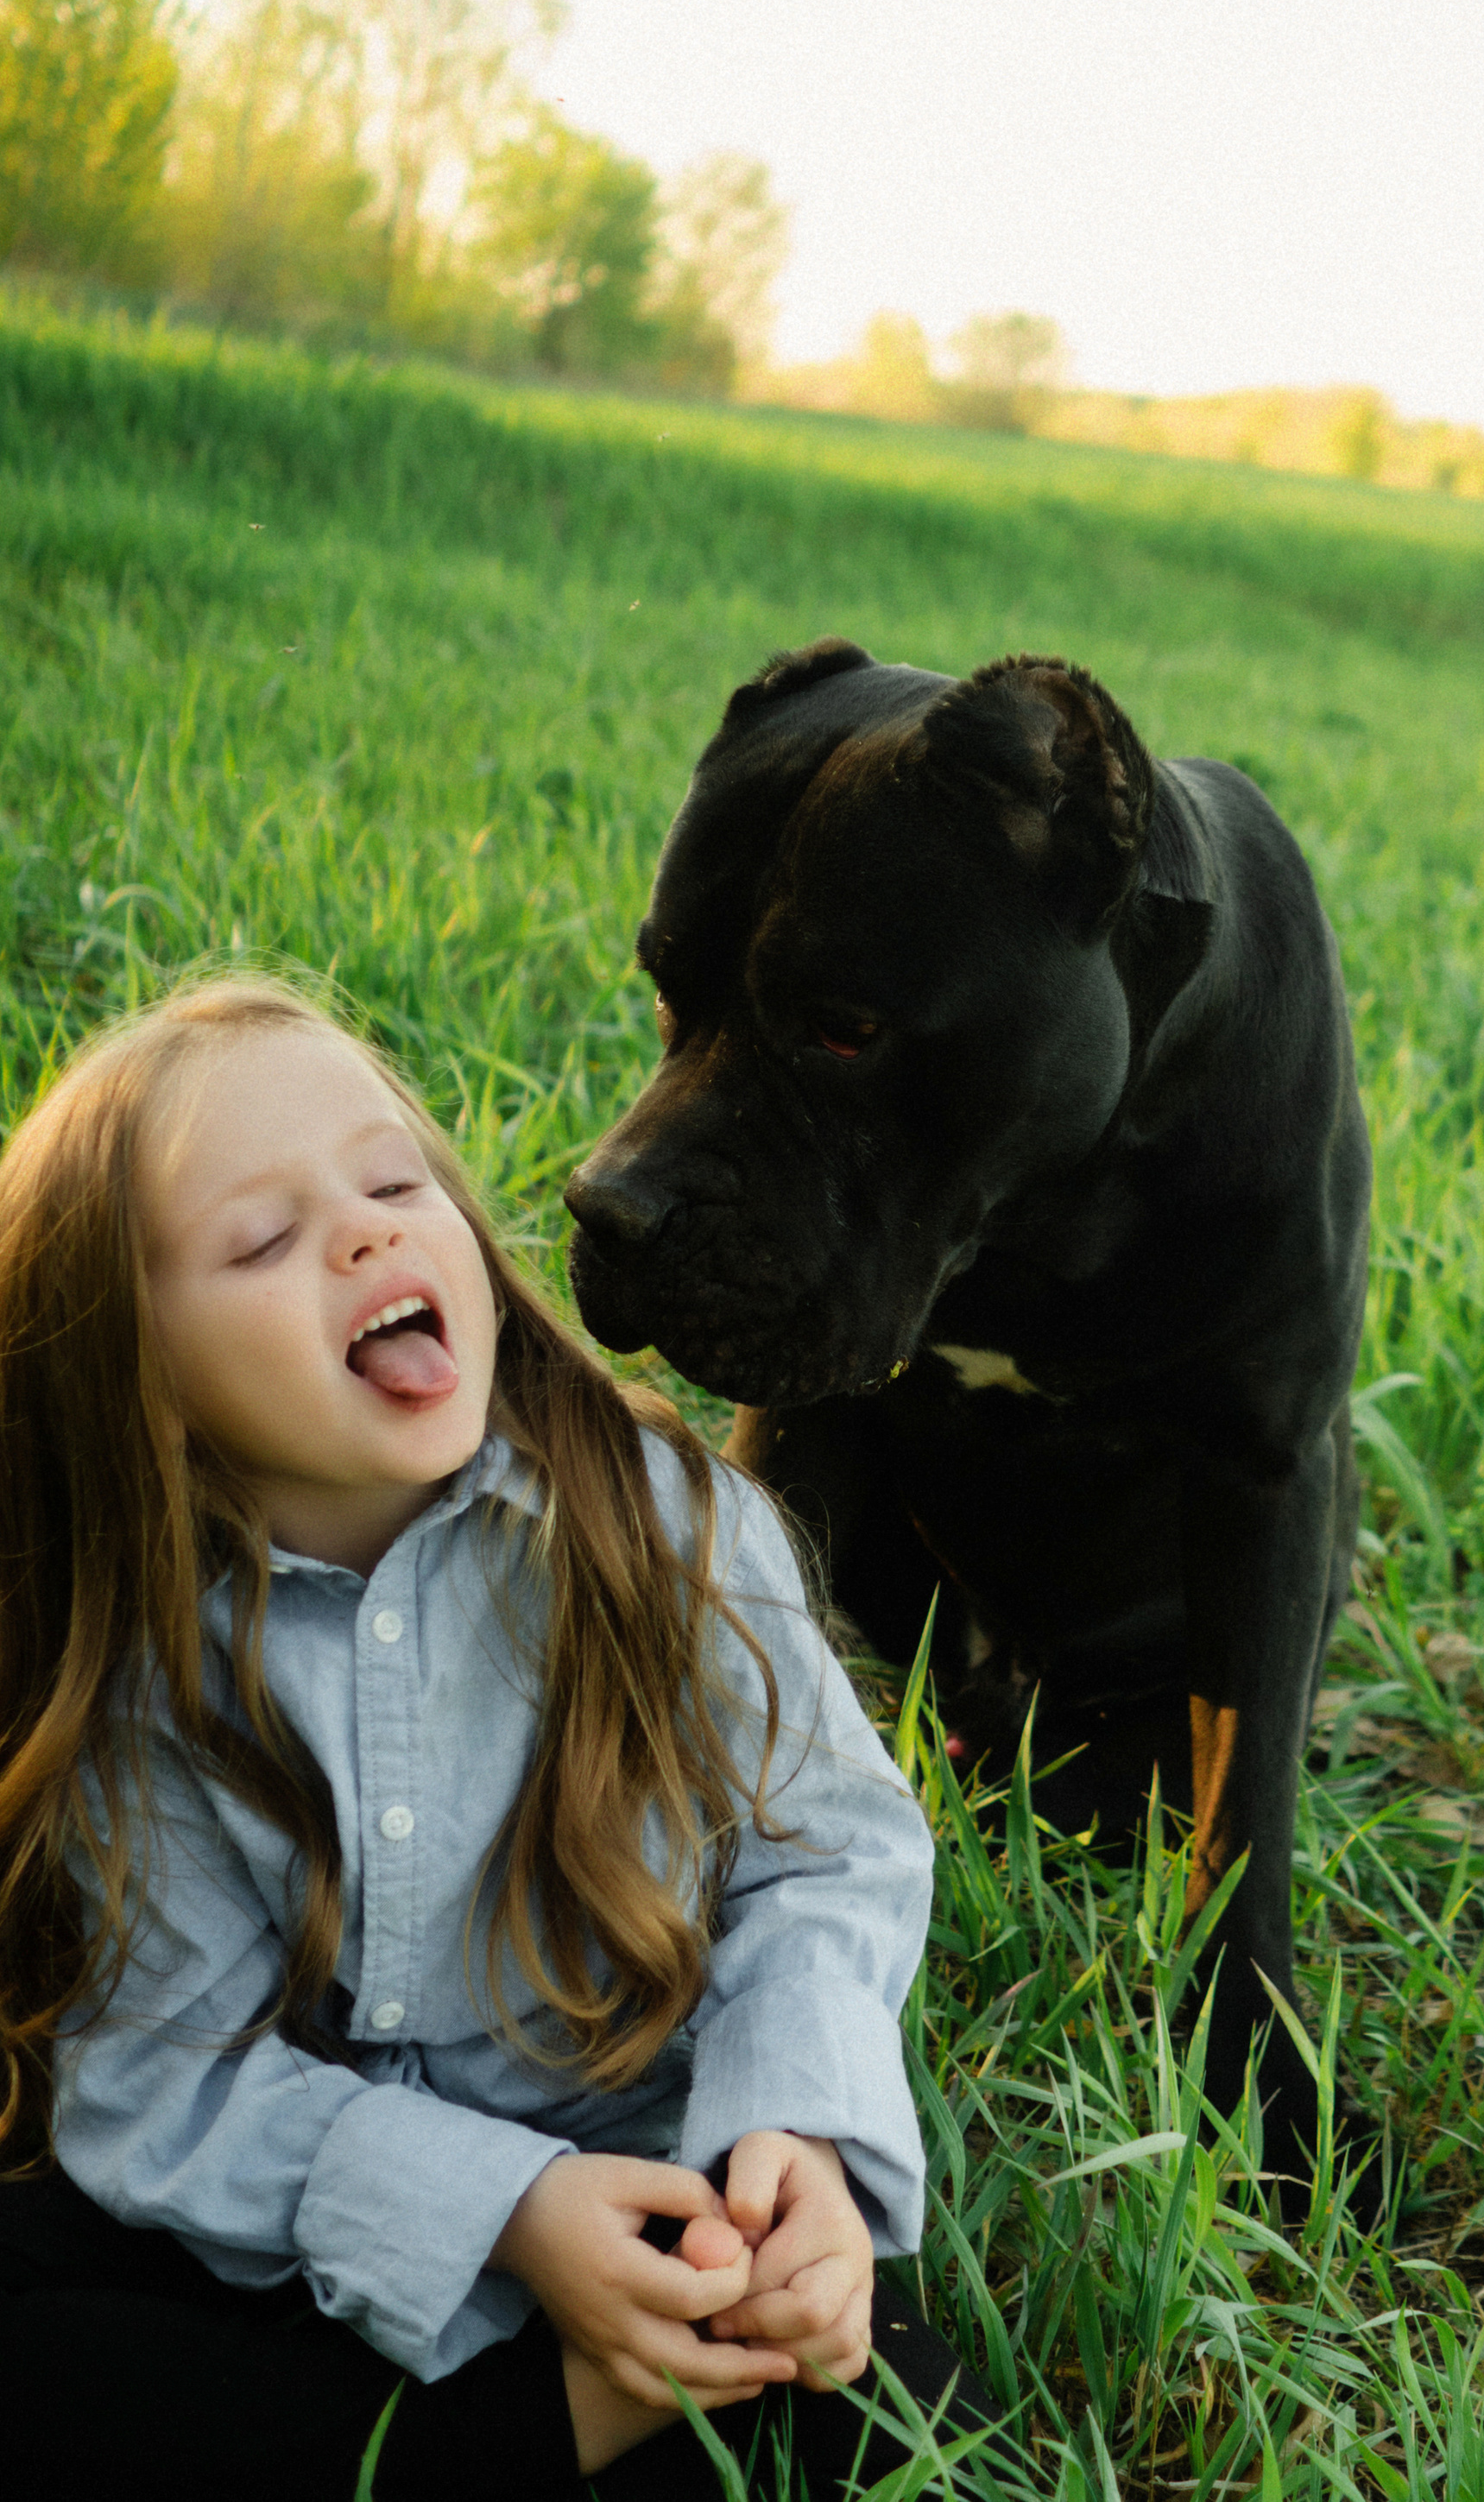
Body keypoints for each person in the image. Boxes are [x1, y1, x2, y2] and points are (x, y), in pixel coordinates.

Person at [0, 976, 1005, 2499]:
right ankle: (560, 2427)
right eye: (263, 1240)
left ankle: (577, 2415)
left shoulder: (663, 1527)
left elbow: (824, 1857)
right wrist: (511, 2209)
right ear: (140, 1387)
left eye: (397, 1183)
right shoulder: (143, 1666)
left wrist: (794, 2137)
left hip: (673, 2224)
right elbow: (172, 2077)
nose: (368, 1235)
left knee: (896, 2407)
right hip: (316, 2244)